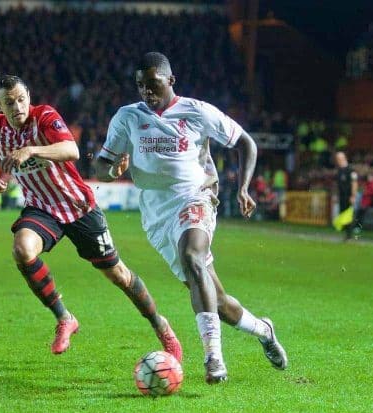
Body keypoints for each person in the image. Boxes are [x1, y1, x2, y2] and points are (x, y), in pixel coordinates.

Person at [95, 52, 288, 384]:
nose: (146, 91)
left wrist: (243, 187)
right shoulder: (127, 117)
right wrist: (113, 169)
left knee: (192, 256)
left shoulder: (197, 111)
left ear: (171, 80)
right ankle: (263, 330)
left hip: (196, 196)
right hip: (156, 214)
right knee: (218, 299)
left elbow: (246, 143)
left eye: (152, 84)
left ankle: (214, 358)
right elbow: (101, 165)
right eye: (140, 85)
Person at [0, 75, 181, 360]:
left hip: (78, 207)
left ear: (29, 98)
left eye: (22, 99)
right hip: (42, 208)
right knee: (22, 249)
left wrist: (30, 149)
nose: (17, 106)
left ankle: (161, 326)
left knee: (118, 274)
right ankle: (64, 318)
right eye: (9, 102)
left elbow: (71, 150)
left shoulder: (44, 116)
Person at [335, 151, 358, 241]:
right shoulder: (339, 171)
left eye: (339, 158)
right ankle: (346, 234)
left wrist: (353, 195)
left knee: (348, 215)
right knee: (343, 214)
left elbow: (354, 183)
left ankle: (349, 235)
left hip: (348, 196)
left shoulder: (350, 170)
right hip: (341, 196)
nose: (338, 160)